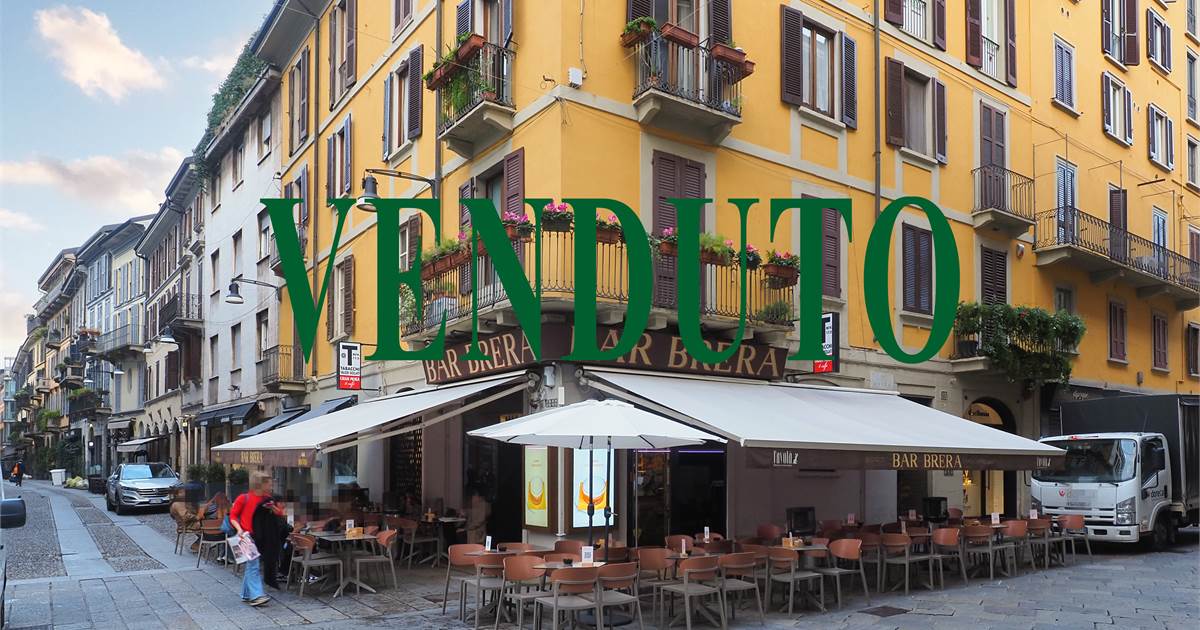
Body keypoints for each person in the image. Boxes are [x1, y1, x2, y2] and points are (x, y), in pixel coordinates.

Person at [230, 472, 272, 607]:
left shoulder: (268, 499)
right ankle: (257, 595)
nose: (271, 485)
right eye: (268, 483)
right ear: (260, 484)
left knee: (251, 565)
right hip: (246, 537)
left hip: (261, 537)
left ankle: (246, 594)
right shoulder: (244, 498)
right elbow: (233, 516)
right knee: (253, 565)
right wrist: (239, 529)